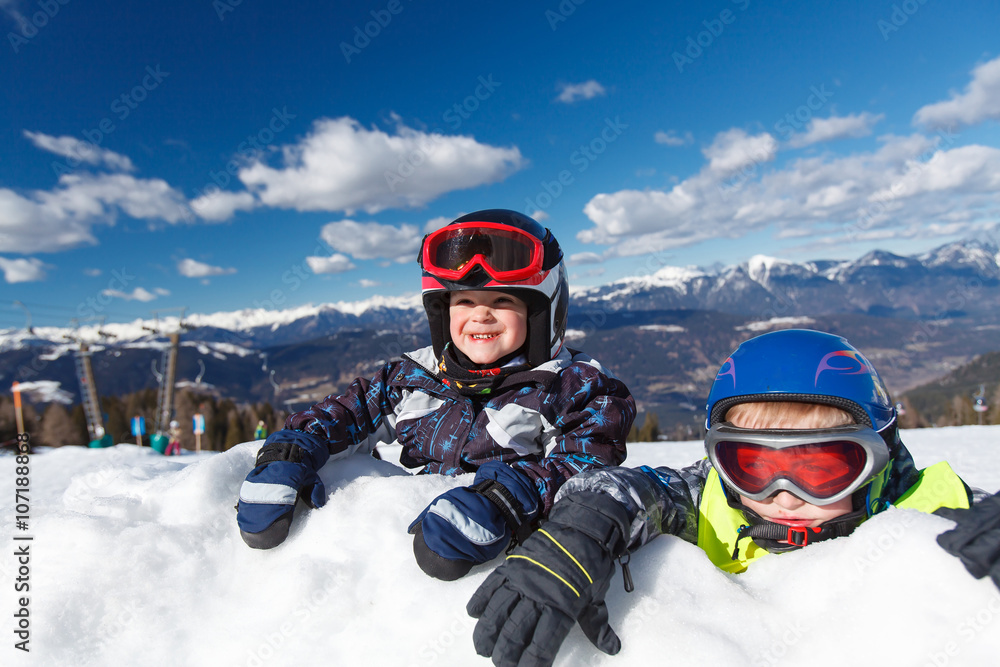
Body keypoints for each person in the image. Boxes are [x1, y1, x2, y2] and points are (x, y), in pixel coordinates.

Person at [468, 329, 995, 666]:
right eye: (753, 466)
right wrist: (584, 525)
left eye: (821, 467)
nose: (784, 497)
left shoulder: (934, 515)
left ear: (875, 462)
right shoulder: (711, 498)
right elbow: (633, 489)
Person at [235, 209, 635, 580]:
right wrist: (294, 449)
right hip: (400, 558)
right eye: (464, 301)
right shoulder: (415, 376)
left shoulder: (574, 386)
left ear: (541, 312)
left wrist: (509, 499)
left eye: (502, 300)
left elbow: (588, 463)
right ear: (442, 313)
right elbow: (350, 413)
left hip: (501, 559)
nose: (481, 314)